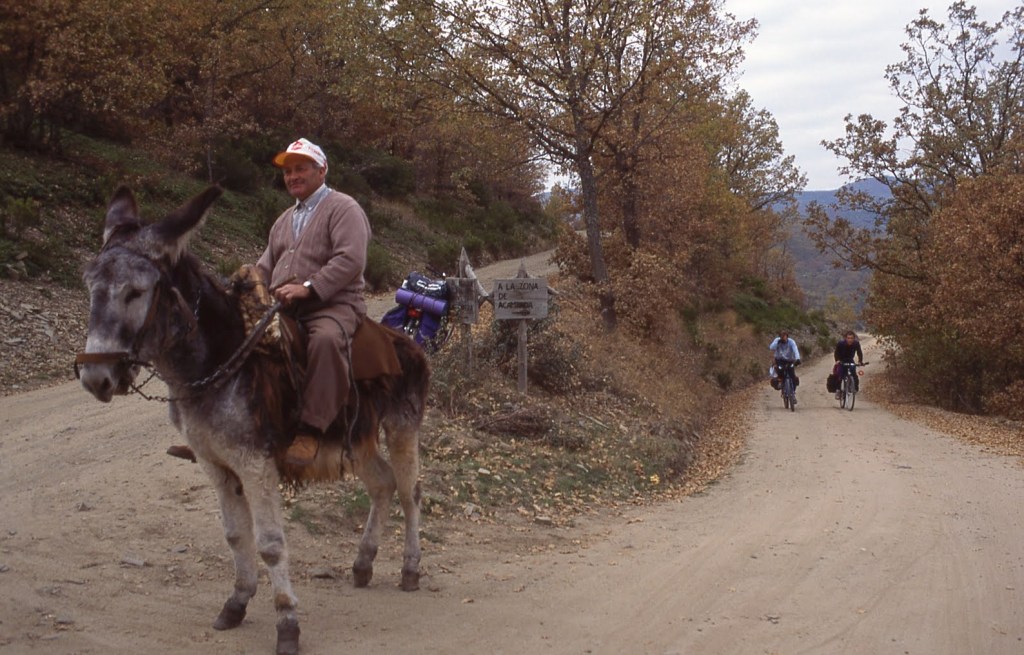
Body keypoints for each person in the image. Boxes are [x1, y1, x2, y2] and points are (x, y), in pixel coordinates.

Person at [256, 138, 371, 466]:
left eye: (300, 169)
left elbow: (351, 259)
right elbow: (265, 265)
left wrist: (309, 287)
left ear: (322, 170)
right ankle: (243, 425)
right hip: (284, 306)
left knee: (325, 340)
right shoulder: (283, 220)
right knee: (244, 340)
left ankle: (312, 430)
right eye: (287, 171)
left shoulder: (344, 208)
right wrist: (247, 282)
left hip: (334, 305)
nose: (292, 176)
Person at [769, 330, 801, 402]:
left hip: (789, 360)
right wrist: (778, 342)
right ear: (780, 337)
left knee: (793, 377)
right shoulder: (777, 341)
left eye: (785, 336)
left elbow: (795, 350)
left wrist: (798, 359)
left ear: (787, 336)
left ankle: (793, 394)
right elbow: (771, 347)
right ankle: (781, 385)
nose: (784, 338)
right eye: (782, 336)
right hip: (779, 360)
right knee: (780, 373)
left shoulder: (791, 342)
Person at [833, 330, 864, 398]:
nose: (850, 340)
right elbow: (836, 353)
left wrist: (860, 361)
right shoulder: (841, 343)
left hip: (850, 360)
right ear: (845, 338)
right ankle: (838, 390)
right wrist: (837, 360)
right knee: (840, 374)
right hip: (841, 360)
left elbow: (859, 352)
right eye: (848, 338)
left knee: (854, 373)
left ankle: (855, 388)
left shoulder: (856, 344)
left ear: (854, 338)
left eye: (852, 338)